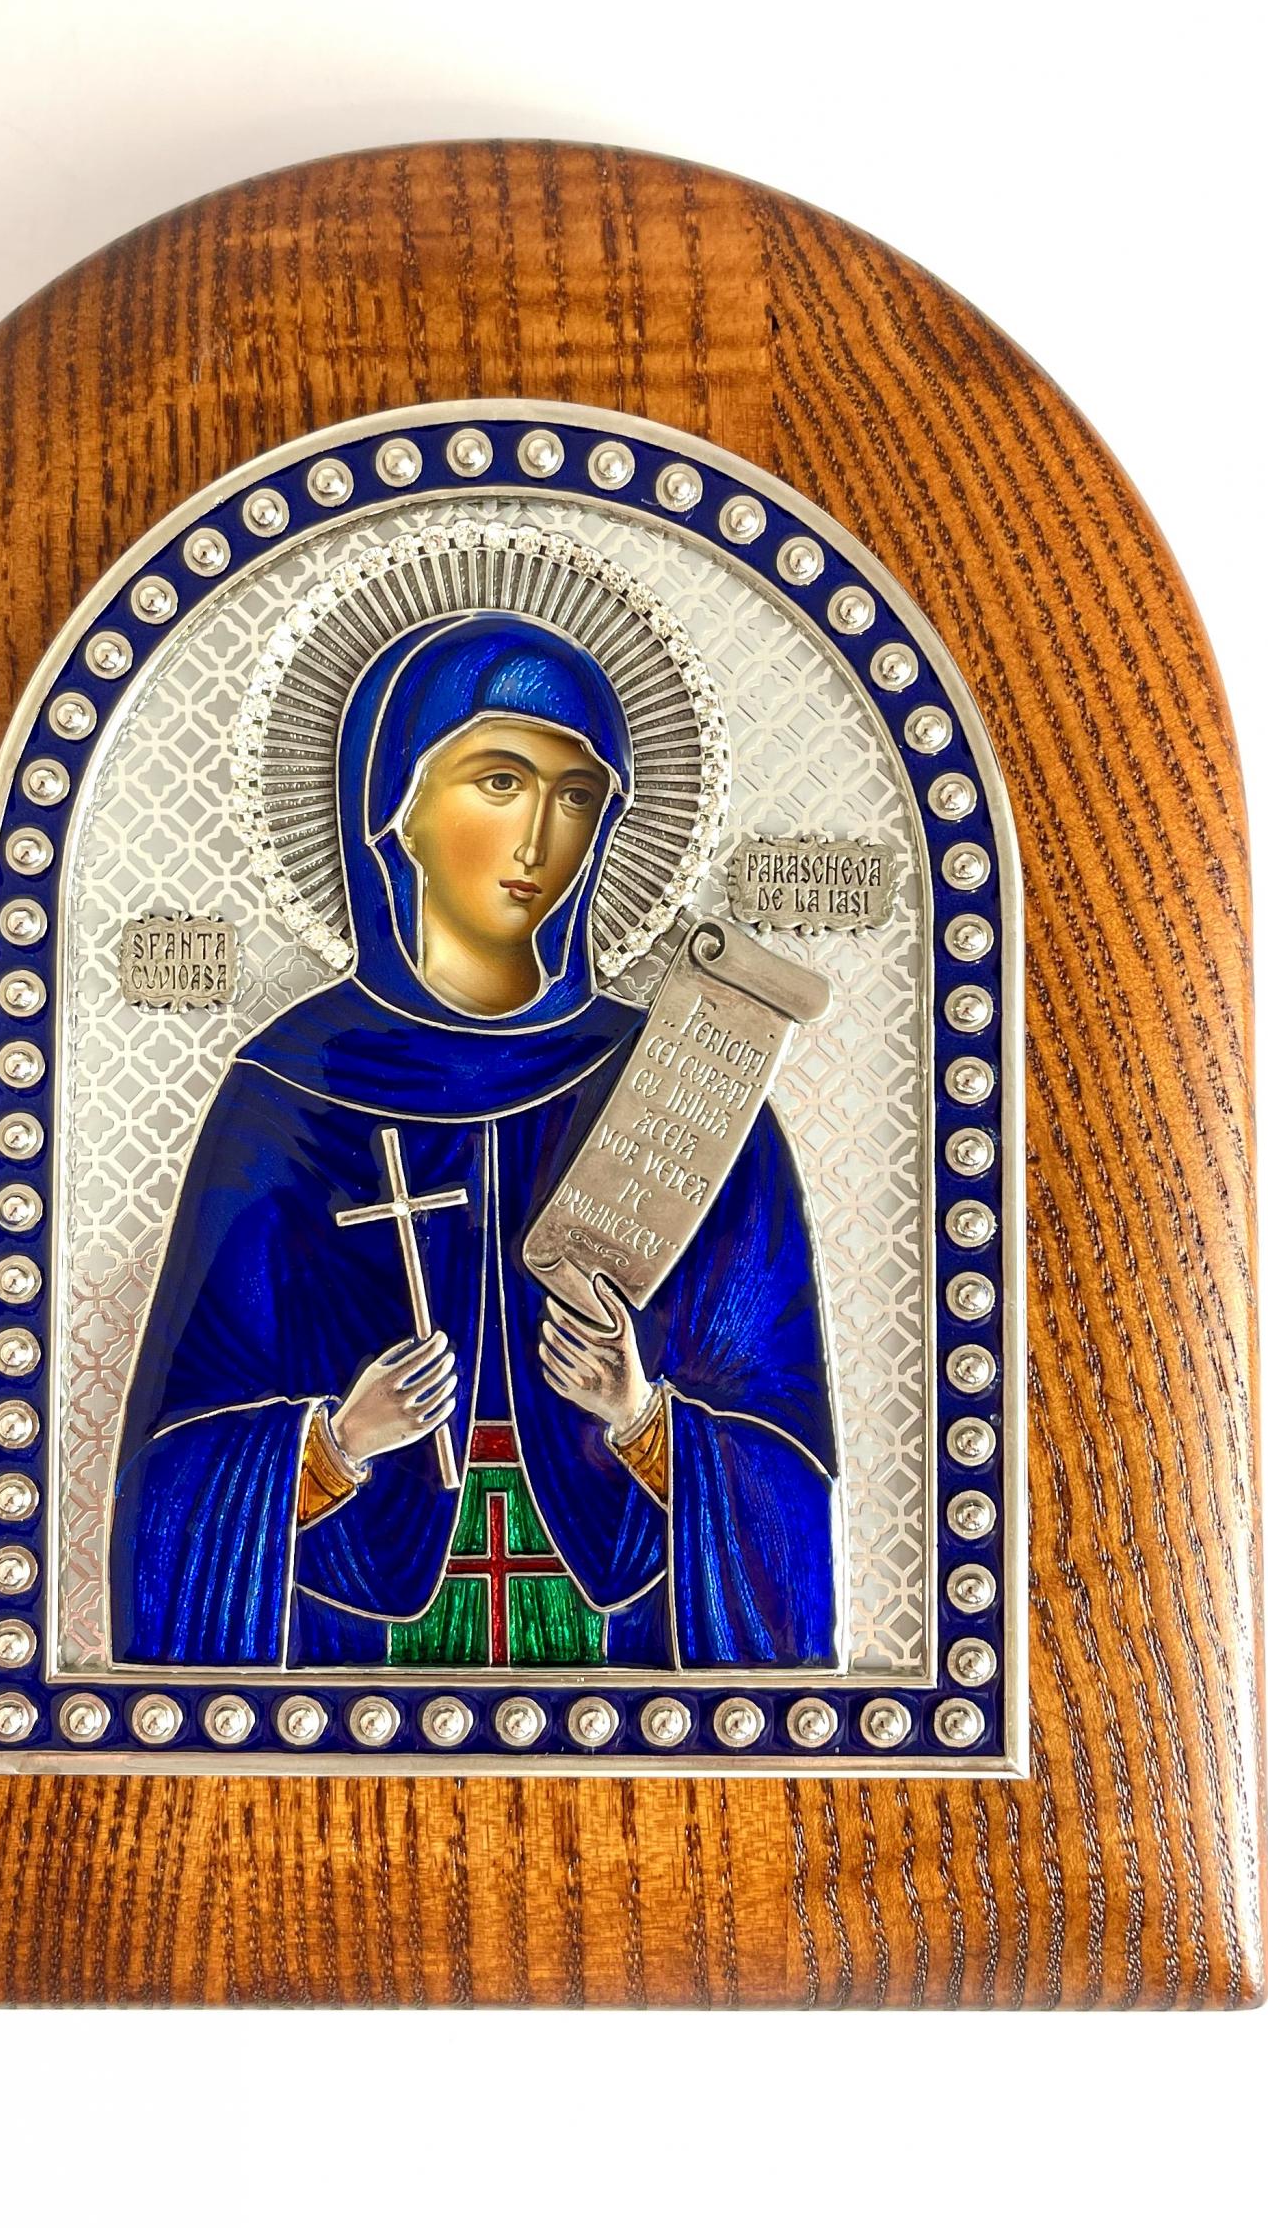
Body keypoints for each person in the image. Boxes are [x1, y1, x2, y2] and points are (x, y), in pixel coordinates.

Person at [109, 610, 839, 1669]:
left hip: (615, 1638)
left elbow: (791, 1457)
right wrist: (334, 1442)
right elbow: (175, 1465)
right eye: (499, 780)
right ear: (397, 810)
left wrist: (641, 1418)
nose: (539, 838)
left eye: (576, 795)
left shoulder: (686, 1090)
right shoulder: (290, 1094)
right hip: (354, 1647)